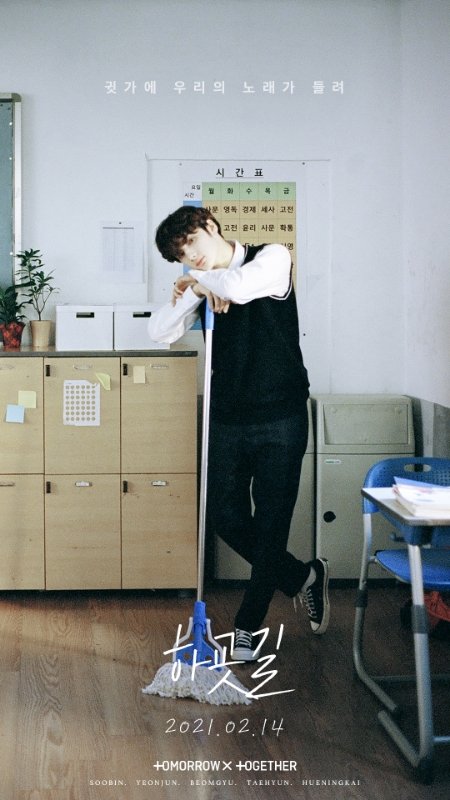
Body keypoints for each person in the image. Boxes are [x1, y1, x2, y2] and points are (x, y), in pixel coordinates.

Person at [148, 205, 330, 661]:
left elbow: (240, 286)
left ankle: (247, 625)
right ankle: (304, 577)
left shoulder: (273, 257)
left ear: (211, 226)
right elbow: (159, 331)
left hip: (281, 418)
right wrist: (197, 289)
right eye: (180, 256)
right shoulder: (206, 281)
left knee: (271, 523)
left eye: (191, 243)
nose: (189, 257)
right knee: (224, 516)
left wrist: (198, 282)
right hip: (227, 418)